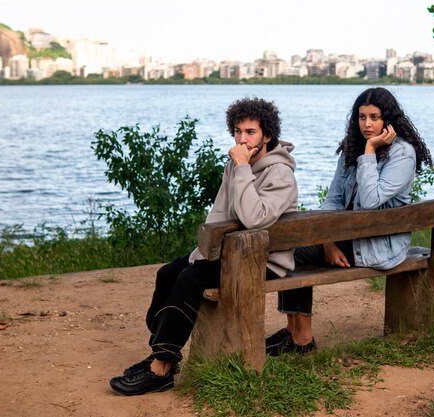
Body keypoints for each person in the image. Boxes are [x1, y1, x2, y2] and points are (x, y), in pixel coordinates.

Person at [109, 97, 298, 396]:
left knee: (191, 279)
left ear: (268, 135)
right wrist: (201, 254)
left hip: (265, 263)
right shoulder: (236, 164)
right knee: (169, 272)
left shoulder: (279, 173)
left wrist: (242, 169)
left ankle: (162, 368)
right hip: (229, 253)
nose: (242, 139)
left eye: (250, 132)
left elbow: (253, 219)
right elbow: (219, 215)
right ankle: (162, 350)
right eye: (237, 131)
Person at [266, 87, 433, 356]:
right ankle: (292, 330)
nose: (367, 124)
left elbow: (370, 200)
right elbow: (332, 200)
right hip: (346, 238)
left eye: (375, 117)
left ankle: (302, 340)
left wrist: (370, 150)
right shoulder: (350, 148)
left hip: (378, 245)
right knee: (289, 247)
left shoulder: (402, 153)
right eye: (362, 117)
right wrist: (327, 241)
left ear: (388, 119)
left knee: (291, 253)